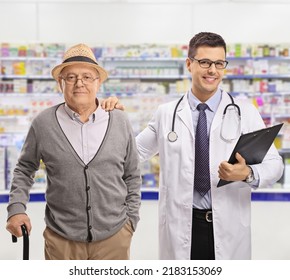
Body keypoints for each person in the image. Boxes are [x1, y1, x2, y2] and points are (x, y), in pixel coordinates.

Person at [102, 32, 284, 260]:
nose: (213, 70)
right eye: (205, 62)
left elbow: (275, 165)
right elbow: (132, 155)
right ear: (189, 64)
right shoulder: (166, 113)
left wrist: (247, 173)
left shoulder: (244, 112)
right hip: (181, 227)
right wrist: (114, 121)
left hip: (228, 226)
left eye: (219, 63)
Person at [6, 43, 141, 260]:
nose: (79, 83)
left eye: (87, 77)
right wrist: (16, 209)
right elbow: (24, 169)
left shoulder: (119, 121)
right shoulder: (43, 123)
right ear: (61, 83)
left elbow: (132, 174)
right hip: (61, 240)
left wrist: (131, 221)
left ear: (98, 82)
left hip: (115, 237)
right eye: (71, 77)